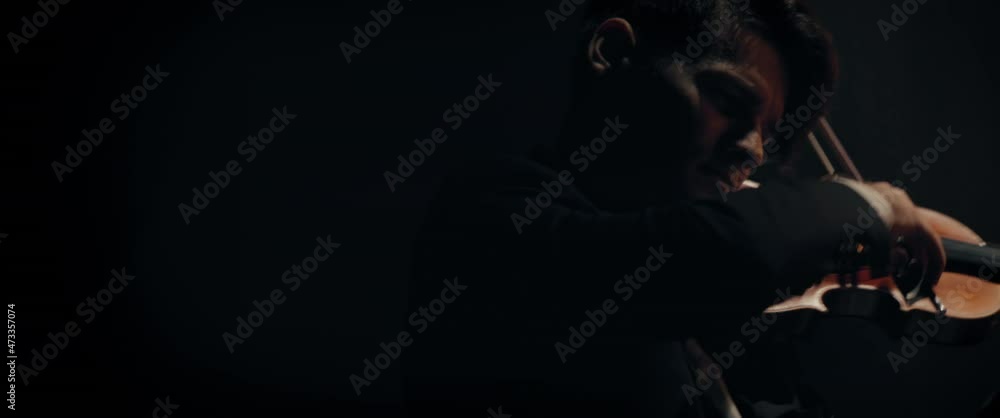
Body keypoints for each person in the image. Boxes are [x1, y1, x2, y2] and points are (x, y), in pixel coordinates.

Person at [401, 0, 945, 417]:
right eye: (729, 101)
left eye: (768, 135)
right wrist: (867, 203)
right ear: (612, 52)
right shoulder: (489, 210)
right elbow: (701, 254)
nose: (754, 151)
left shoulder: (718, 317)